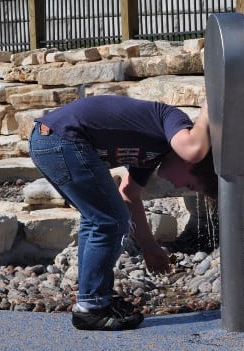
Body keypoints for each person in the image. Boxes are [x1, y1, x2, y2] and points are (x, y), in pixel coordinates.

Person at [28, 94, 216, 331]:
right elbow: (193, 149)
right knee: (110, 221)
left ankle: (95, 300)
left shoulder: (152, 155)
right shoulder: (172, 118)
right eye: (189, 184)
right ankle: (92, 307)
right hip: (62, 139)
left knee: (98, 218)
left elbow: (129, 194)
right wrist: (209, 108)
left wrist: (149, 246)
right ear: (192, 166)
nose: (180, 187)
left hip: (51, 140)